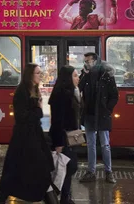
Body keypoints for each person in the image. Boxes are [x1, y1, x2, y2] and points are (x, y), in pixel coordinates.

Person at [0, 63, 54, 204]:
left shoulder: (33, 89)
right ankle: (3, 196)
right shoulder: (22, 91)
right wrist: (39, 110)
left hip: (33, 135)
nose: (41, 75)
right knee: (24, 167)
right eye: (38, 73)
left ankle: (45, 196)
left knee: (33, 167)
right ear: (30, 75)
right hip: (24, 136)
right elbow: (22, 117)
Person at [79, 53, 119, 184]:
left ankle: (108, 172)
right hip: (89, 113)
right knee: (90, 144)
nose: (86, 63)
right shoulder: (86, 74)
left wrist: (107, 110)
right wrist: (84, 74)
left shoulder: (106, 75)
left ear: (95, 61)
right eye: (85, 61)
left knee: (105, 144)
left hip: (102, 114)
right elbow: (78, 88)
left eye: (88, 61)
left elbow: (114, 95)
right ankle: (91, 172)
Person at [49, 65, 81, 204]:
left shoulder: (72, 92)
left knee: (70, 166)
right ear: (68, 78)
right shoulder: (61, 95)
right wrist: (59, 143)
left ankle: (65, 197)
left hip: (72, 135)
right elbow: (57, 121)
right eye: (75, 75)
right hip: (63, 137)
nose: (78, 78)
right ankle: (61, 197)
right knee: (67, 166)